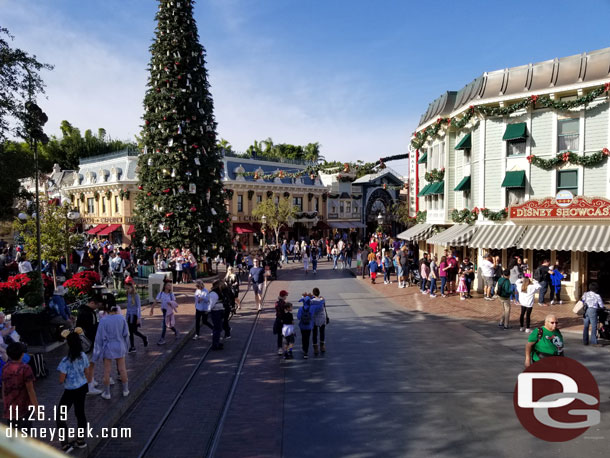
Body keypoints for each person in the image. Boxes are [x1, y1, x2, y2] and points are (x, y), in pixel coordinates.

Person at [56, 328, 89, 451]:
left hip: (70, 391)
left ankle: (65, 444)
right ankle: (81, 440)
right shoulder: (83, 355)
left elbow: (61, 379)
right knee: (80, 413)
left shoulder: (65, 361)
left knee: (60, 416)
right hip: (82, 387)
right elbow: (87, 371)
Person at [92, 305, 129, 400]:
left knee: (107, 370)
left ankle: (107, 393)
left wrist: (96, 354)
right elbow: (126, 334)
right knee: (122, 369)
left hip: (108, 346)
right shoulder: (121, 318)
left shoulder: (104, 321)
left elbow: (99, 338)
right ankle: (125, 390)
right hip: (120, 345)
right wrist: (127, 347)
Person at [2, 342, 38, 432]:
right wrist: (37, 408)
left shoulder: (5, 367)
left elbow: (4, 387)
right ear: (22, 354)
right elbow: (30, 390)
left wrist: (5, 403)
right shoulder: (25, 368)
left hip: (10, 407)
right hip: (24, 407)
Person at [76, 295, 103, 395]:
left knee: (88, 363)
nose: (96, 308)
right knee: (90, 364)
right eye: (96, 305)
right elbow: (91, 329)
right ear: (92, 303)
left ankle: (90, 380)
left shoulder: (82, 311)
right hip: (88, 341)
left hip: (83, 340)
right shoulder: (88, 313)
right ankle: (89, 386)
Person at [150, 280, 178, 345]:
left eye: (170, 285)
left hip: (169, 311)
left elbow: (175, 303)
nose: (170, 286)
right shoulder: (161, 293)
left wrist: (170, 303)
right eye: (168, 285)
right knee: (168, 324)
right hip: (164, 311)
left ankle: (162, 339)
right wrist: (152, 309)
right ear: (165, 286)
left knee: (164, 325)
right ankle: (176, 331)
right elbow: (156, 301)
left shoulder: (171, 294)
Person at [125, 281, 148, 352]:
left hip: (135, 315)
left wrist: (138, 317)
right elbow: (128, 306)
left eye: (128, 288)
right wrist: (126, 316)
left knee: (134, 331)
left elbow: (138, 307)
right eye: (126, 288)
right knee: (130, 332)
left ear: (132, 288)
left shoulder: (136, 295)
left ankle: (144, 337)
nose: (127, 290)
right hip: (129, 315)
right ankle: (132, 347)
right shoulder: (128, 295)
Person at [297, 294, 316, 359]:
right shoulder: (312, 308)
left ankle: (303, 348)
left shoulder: (300, 309)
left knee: (303, 337)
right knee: (307, 338)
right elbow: (312, 316)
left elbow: (298, 317)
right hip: (309, 326)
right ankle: (306, 352)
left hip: (302, 326)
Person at [311, 288, 328, 356]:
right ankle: (322, 346)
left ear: (313, 293)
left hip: (314, 318)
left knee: (314, 333)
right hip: (322, 318)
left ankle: (315, 348)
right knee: (322, 332)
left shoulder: (311, 301)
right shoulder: (322, 300)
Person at [209, 280, 225, 350]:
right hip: (216, 312)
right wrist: (207, 311)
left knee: (218, 328)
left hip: (219, 311)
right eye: (221, 285)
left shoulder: (218, 292)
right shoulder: (213, 294)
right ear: (218, 285)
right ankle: (215, 345)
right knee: (217, 329)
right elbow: (211, 304)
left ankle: (217, 342)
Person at [274, 290, 289, 355]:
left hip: (278, 320)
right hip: (284, 321)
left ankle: (280, 349)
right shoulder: (284, 304)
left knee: (279, 335)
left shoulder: (277, 303)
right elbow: (286, 312)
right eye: (286, 295)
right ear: (283, 296)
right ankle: (286, 349)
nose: (286, 297)